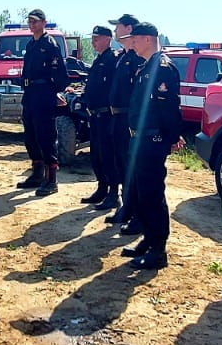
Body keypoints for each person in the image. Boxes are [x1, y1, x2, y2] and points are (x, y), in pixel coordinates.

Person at [119, 22, 183, 270]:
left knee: (152, 194)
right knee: (139, 192)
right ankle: (147, 238)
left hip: (152, 140)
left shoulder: (162, 68)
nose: (132, 43)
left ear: (148, 39)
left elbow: (169, 108)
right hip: (138, 139)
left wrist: (172, 137)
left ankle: (158, 249)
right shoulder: (145, 66)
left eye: (135, 39)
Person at [15, 9, 70, 196]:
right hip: (30, 94)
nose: (32, 25)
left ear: (44, 23)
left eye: (36, 22)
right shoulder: (31, 44)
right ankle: (37, 174)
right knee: (30, 136)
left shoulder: (49, 44)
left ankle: (51, 179)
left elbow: (59, 72)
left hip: (44, 94)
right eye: (30, 22)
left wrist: (56, 92)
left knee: (45, 135)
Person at [104, 14, 145, 229]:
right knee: (121, 164)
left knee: (133, 168)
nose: (115, 31)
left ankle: (138, 214)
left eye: (117, 26)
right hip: (117, 118)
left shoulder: (138, 58)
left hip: (130, 119)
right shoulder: (123, 56)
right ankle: (127, 207)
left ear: (128, 28)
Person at [78, 25, 117, 207]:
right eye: (92, 38)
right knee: (96, 155)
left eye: (97, 38)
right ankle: (102, 188)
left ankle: (113, 193)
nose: (93, 42)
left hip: (106, 115)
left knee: (108, 155)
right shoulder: (98, 60)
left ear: (108, 39)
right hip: (94, 115)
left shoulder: (112, 59)